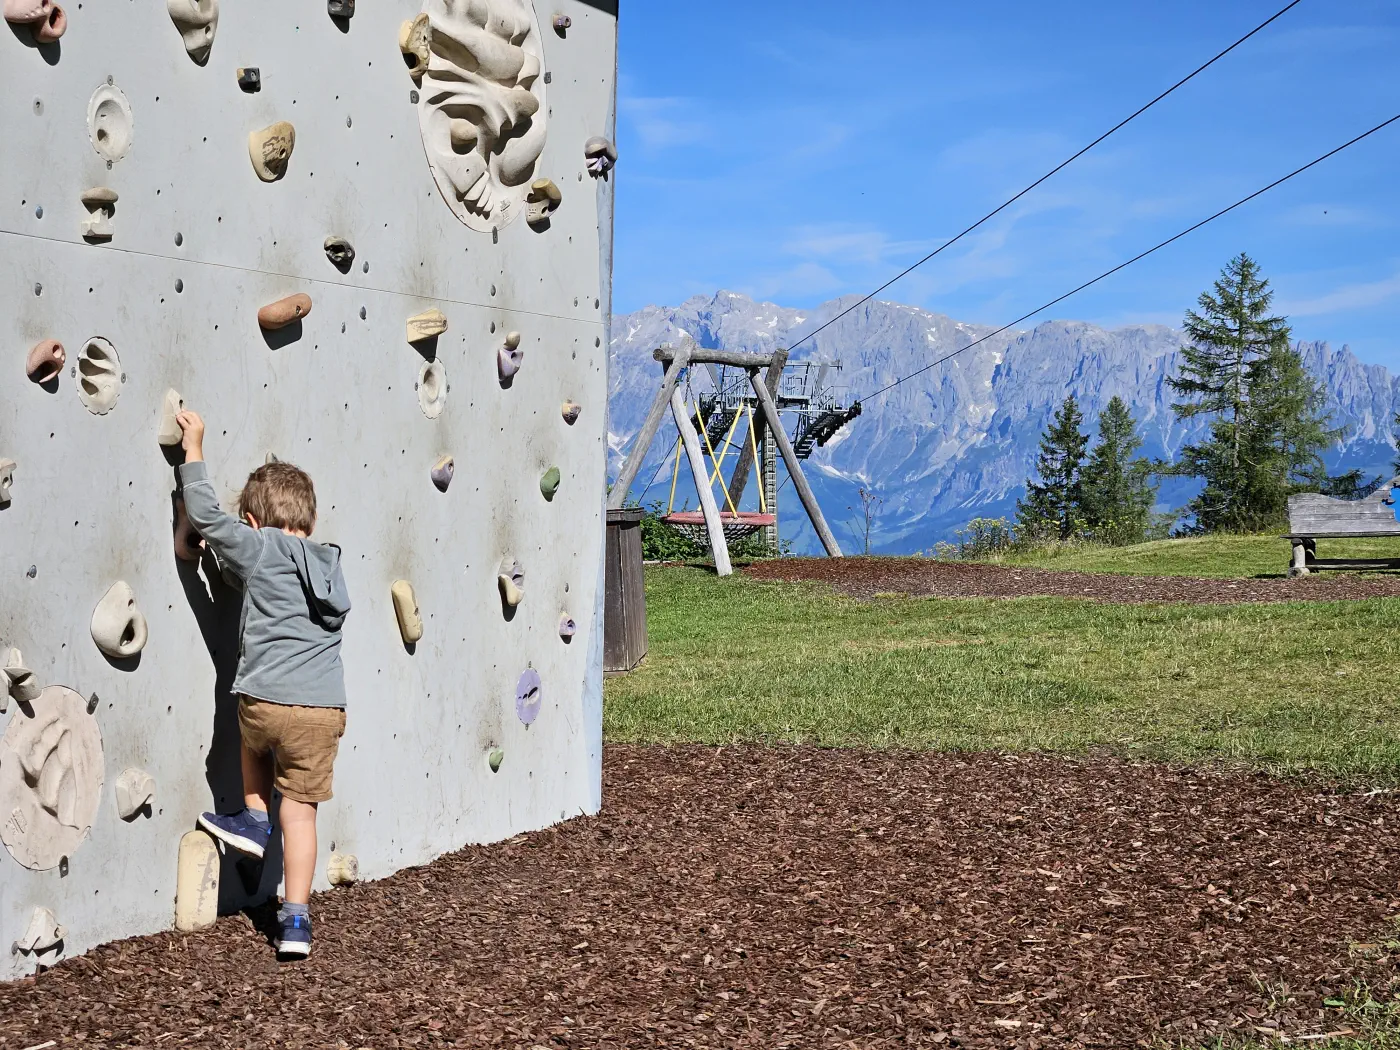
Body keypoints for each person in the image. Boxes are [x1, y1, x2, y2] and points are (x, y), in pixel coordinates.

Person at [174, 410, 351, 959]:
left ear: (252, 521)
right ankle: (295, 921)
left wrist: (194, 449)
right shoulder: (328, 565)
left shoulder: (259, 546)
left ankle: (251, 815)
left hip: (267, 701)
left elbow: (204, 515)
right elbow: (264, 588)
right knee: (300, 814)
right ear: (310, 523)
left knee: (255, 739)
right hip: (324, 712)